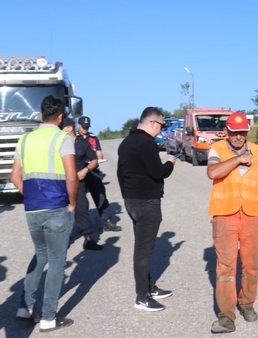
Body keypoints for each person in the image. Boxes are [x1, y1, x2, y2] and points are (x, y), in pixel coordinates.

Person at [10, 96, 78, 332]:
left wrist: (28, 195)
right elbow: (71, 176)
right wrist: (72, 204)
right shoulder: (63, 138)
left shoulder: (25, 139)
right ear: (60, 118)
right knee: (57, 260)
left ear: (41, 115)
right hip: (57, 207)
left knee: (40, 255)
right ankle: (49, 316)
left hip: (33, 208)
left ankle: (25, 306)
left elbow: (14, 176)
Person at [206, 112, 258, 334]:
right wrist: (237, 159)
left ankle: (247, 303)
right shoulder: (217, 150)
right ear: (226, 132)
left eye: (242, 132)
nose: (238, 137)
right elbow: (212, 172)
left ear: (247, 131)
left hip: (253, 216)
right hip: (224, 216)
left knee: (251, 264)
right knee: (226, 267)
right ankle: (226, 316)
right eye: (234, 132)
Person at [117, 107, 177, 312]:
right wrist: (170, 163)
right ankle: (142, 297)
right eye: (161, 125)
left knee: (144, 248)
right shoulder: (146, 143)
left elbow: (120, 173)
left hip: (132, 201)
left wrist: (127, 195)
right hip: (147, 203)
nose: (161, 130)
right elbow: (158, 172)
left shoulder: (126, 142)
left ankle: (150, 288)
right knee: (143, 251)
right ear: (152, 123)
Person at [61, 117, 104, 251]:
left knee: (82, 208)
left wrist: (85, 170)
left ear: (69, 128)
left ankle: (88, 238)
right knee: (60, 211)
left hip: (78, 183)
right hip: (61, 182)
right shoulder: (58, 143)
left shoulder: (82, 144)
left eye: (61, 129)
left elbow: (94, 160)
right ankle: (61, 239)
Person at [76, 116, 121, 233]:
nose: (85, 129)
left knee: (101, 196)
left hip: (92, 172)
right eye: (83, 127)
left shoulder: (93, 138)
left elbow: (99, 155)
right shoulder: (74, 138)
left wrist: (92, 156)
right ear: (78, 125)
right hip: (79, 172)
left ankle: (107, 222)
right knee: (81, 202)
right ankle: (83, 226)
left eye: (87, 127)